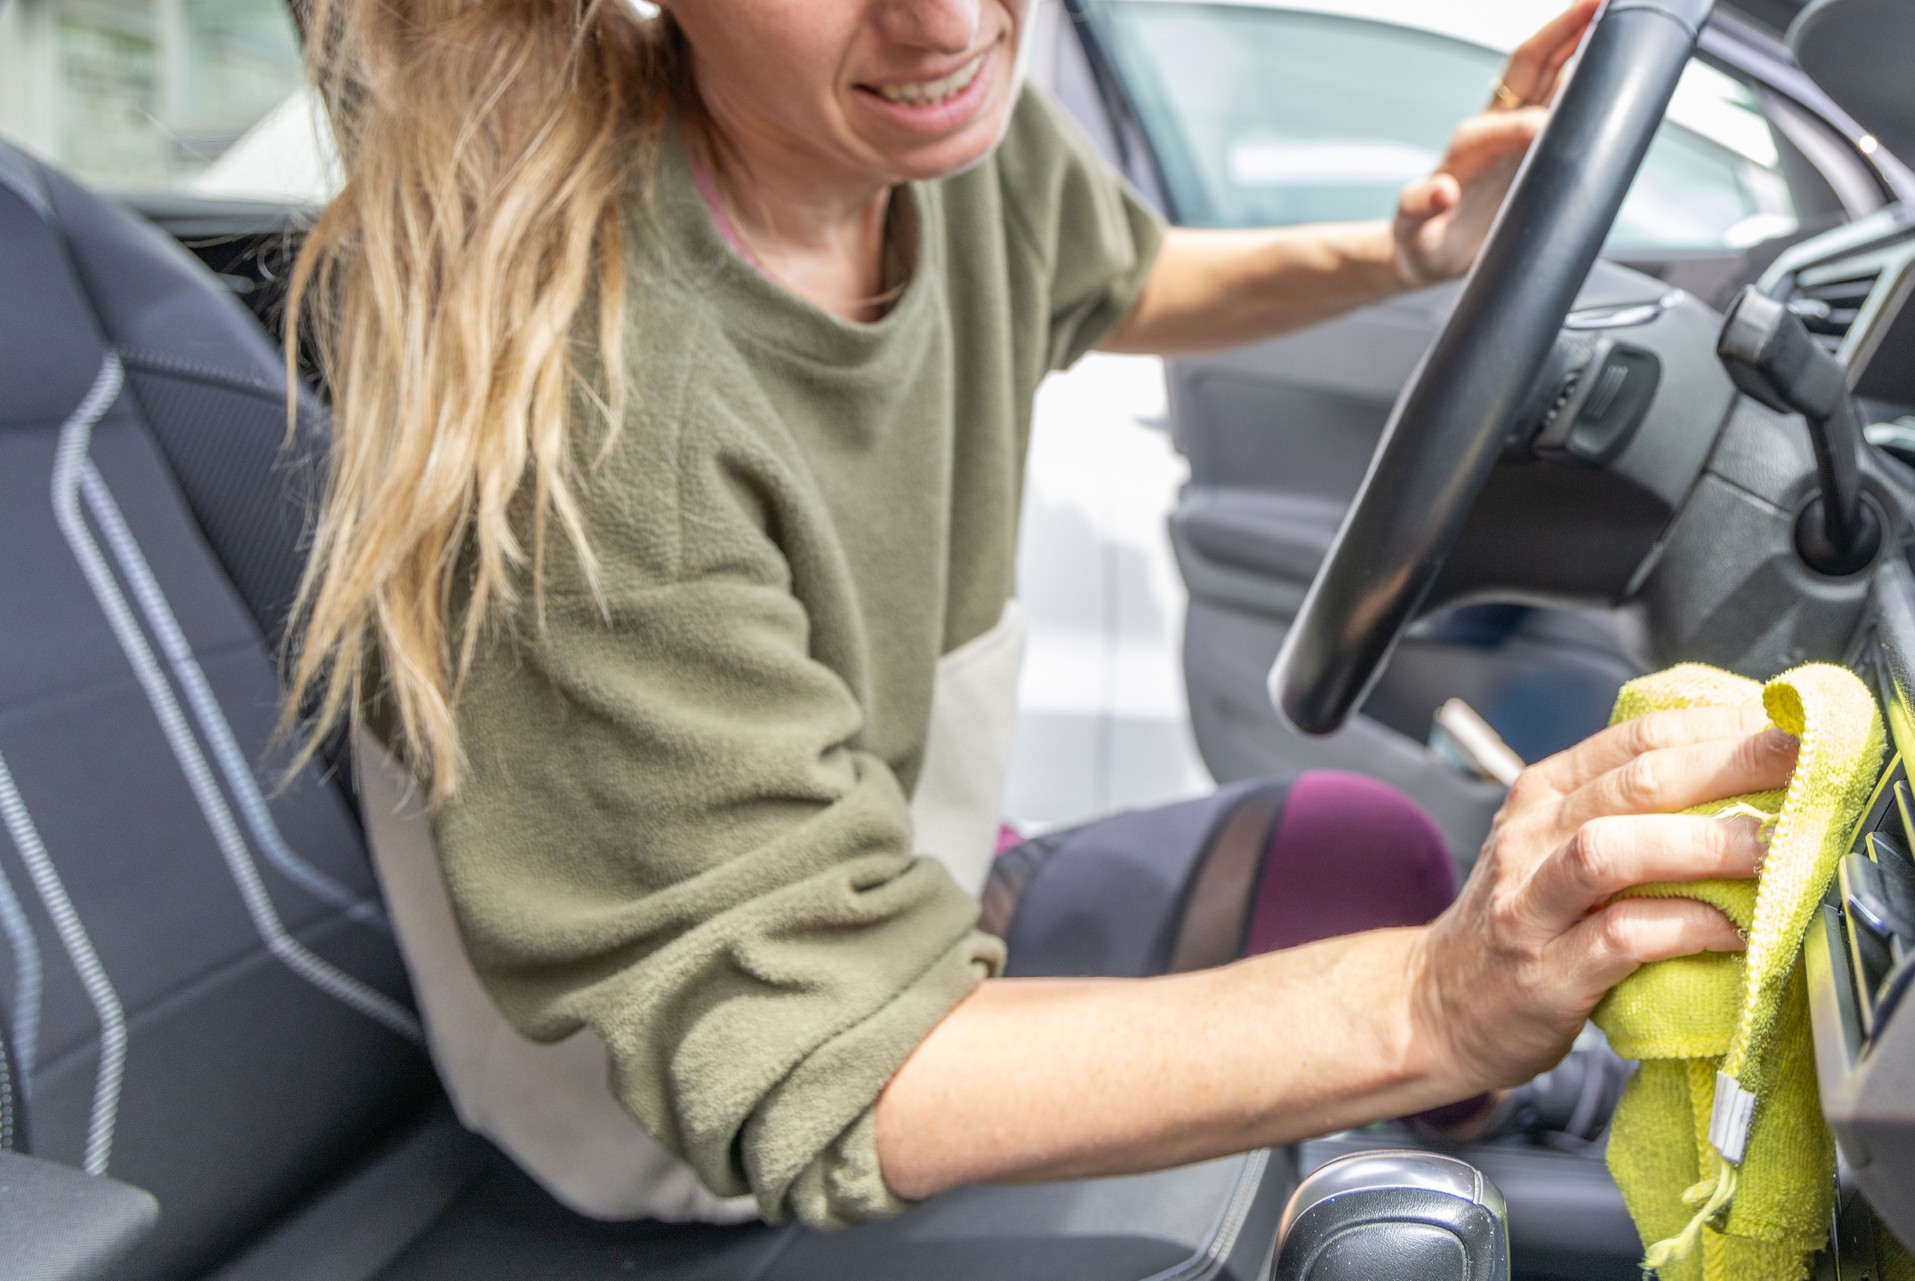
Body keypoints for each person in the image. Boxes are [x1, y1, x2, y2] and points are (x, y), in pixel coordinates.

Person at [285, 0, 1796, 1234]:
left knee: (1364, 849)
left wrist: (1409, 250)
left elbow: (1120, 279)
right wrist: (1443, 999)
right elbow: (824, 1069)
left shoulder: (940, 148)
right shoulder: (597, 423)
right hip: (692, 1123)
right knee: (1406, 955)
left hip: (899, 890)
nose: (946, 20)